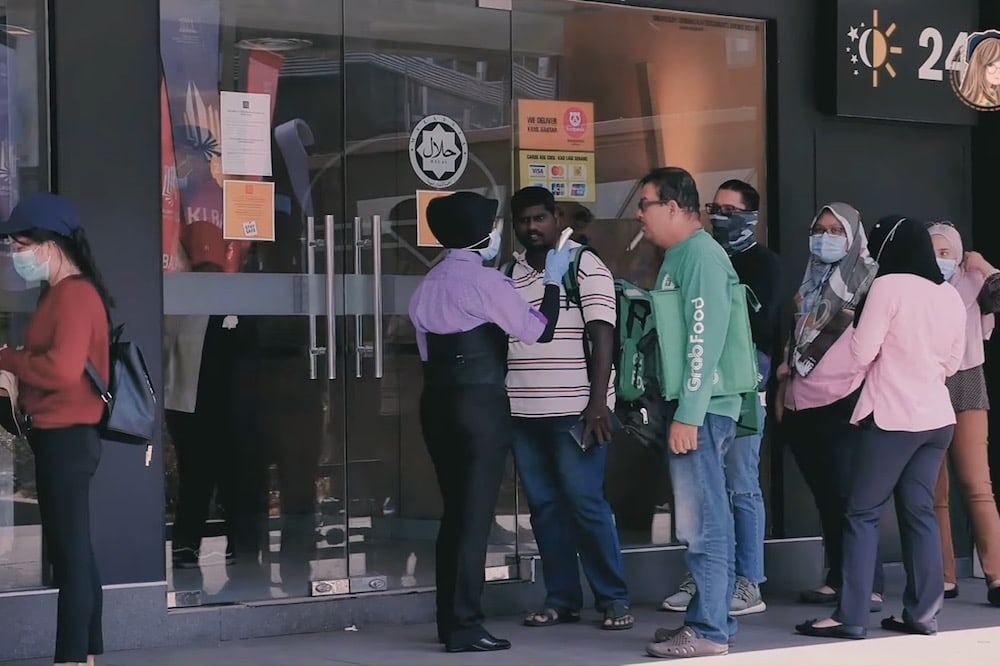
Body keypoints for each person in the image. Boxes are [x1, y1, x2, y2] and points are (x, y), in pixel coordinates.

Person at [408, 191, 571, 653]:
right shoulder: (487, 282)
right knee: (475, 516)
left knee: (455, 514)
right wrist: (553, 284)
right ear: (482, 233)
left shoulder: (428, 284)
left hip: (436, 400)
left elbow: (426, 350)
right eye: (495, 226)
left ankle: (451, 622)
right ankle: (465, 625)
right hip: (479, 402)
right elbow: (537, 331)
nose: (499, 233)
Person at [796, 216, 966, 639]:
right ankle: (922, 614)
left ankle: (851, 615)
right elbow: (952, 364)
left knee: (862, 512)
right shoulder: (948, 295)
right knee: (919, 514)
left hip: (893, 417)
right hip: (937, 419)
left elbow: (861, 352)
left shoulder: (887, 286)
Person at [504, 187, 632, 631]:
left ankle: (613, 599)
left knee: (585, 503)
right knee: (544, 507)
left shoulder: (583, 264)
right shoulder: (511, 271)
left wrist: (598, 402)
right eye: (523, 221)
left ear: (557, 218)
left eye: (540, 218)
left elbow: (603, 336)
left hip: (577, 409)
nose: (532, 228)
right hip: (523, 412)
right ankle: (561, 598)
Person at [0, 194, 113, 665]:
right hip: (63, 436)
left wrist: (7, 359)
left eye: (21, 244)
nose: (16, 256)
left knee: (70, 557)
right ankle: (88, 654)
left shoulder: (73, 295)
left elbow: (63, 371)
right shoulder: (63, 293)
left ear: (50, 244)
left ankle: (70, 657)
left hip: (67, 438)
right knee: (77, 554)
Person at [661, 180, 781, 617]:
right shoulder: (698, 253)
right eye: (716, 207)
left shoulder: (762, 263)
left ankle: (748, 581)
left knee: (740, 483)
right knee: (704, 489)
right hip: (704, 380)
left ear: (752, 216)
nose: (721, 217)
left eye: (731, 210)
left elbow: (764, 324)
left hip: (745, 377)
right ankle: (711, 578)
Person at [637, 167, 739, 659]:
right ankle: (708, 619)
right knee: (704, 519)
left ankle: (710, 632)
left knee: (705, 523)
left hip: (702, 409)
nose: (640, 214)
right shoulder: (682, 256)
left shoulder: (700, 256)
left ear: (674, 207)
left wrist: (689, 414)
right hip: (695, 407)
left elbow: (704, 338)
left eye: (646, 204)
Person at [778, 203, 885, 610]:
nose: (825, 237)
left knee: (851, 497)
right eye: (819, 229)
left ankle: (866, 583)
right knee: (825, 496)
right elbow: (795, 339)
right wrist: (782, 393)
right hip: (803, 400)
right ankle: (837, 577)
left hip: (847, 400)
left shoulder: (870, 282)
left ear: (853, 236)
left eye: (835, 230)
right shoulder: (808, 282)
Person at [927, 222, 1000, 606]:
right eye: (933, 253)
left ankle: (997, 576)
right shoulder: (917, 290)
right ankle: (942, 578)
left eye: (946, 253)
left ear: (959, 255)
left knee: (977, 485)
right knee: (934, 492)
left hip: (969, 381)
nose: (940, 261)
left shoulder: (975, 285)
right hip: (928, 386)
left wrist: (984, 265)